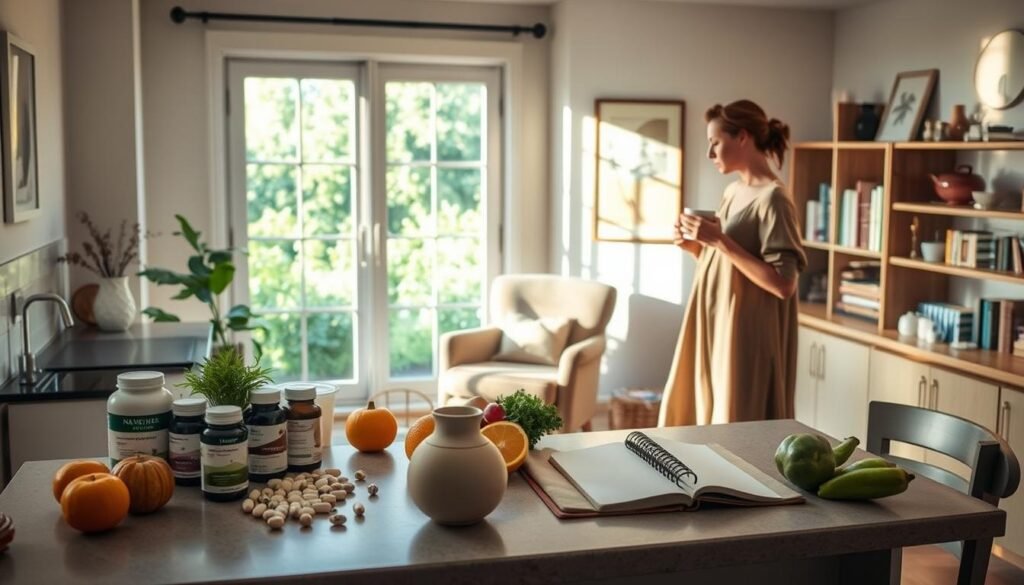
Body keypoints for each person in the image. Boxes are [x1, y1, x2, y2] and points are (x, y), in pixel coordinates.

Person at [658, 100, 807, 427]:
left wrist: (719, 241)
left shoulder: (775, 199)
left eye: (715, 142)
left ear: (742, 137)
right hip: (715, 322)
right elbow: (732, 267)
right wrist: (695, 248)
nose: (710, 153)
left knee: (735, 424)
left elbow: (784, 284)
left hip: (746, 334)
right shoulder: (733, 191)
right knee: (702, 417)